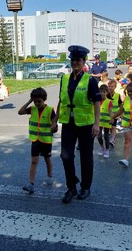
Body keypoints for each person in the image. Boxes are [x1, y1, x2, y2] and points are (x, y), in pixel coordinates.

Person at [51, 45, 101, 204]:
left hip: (86, 124)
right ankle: (71, 187)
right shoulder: (64, 79)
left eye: (78, 60)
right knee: (66, 156)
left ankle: (85, 187)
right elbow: (61, 100)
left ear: (84, 61)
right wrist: (55, 120)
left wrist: (97, 124)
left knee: (86, 157)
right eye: (73, 60)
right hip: (68, 123)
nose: (75, 63)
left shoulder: (90, 80)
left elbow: (97, 103)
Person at [18, 87, 57, 194]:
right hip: (35, 140)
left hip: (46, 141)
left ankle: (49, 176)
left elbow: (54, 123)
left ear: (44, 99)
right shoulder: (32, 109)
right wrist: (29, 101)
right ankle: (31, 184)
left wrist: (54, 126)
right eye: (35, 101)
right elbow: (20, 112)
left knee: (47, 159)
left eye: (39, 101)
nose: (36, 103)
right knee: (34, 161)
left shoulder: (50, 110)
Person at [97, 84, 113, 158]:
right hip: (99, 121)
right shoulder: (97, 101)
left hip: (106, 122)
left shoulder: (109, 101)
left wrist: (112, 118)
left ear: (107, 92)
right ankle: (102, 147)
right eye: (101, 91)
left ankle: (107, 150)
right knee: (99, 136)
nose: (102, 93)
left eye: (104, 92)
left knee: (106, 137)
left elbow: (110, 112)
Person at [108, 79, 122, 146]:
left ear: (115, 87)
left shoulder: (117, 95)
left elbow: (120, 105)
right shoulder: (106, 95)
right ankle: (112, 137)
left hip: (115, 114)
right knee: (110, 127)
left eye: (112, 86)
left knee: (113, 127)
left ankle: (112, 139)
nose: (110, 88)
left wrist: (121, 114)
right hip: (108, 115)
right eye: (109, 86)